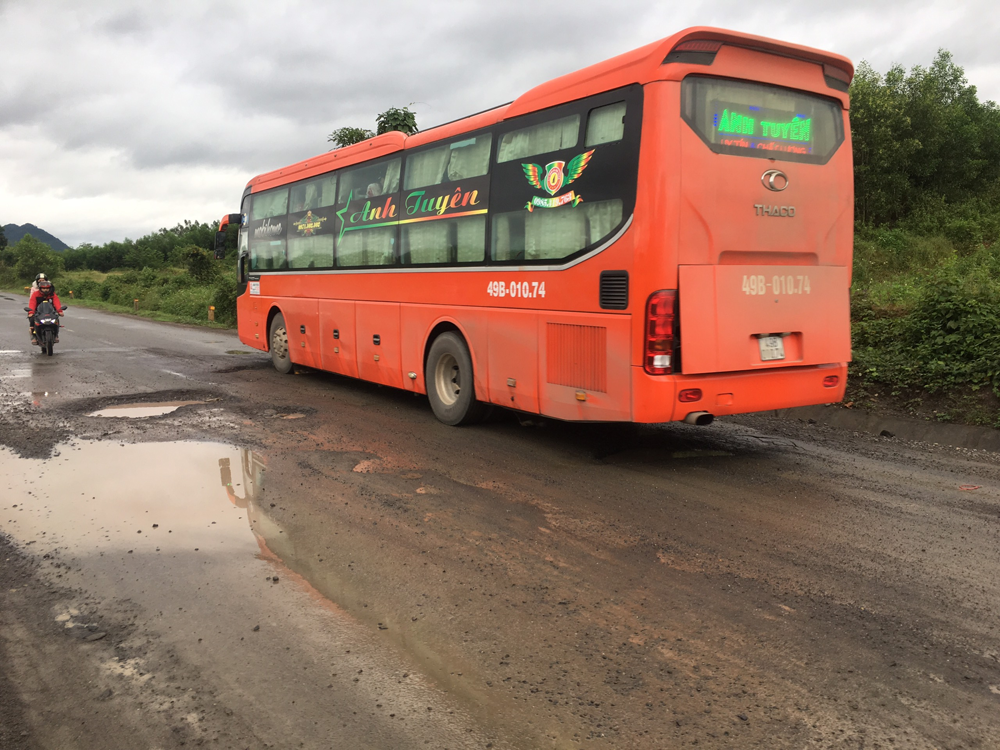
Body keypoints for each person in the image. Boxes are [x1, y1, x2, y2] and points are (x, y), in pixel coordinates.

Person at [27, 278, 64, 345]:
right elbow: (32, 303)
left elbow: (57, 302)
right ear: (40, 288)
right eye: (43, 288)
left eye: (47, 288)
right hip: (38, 312)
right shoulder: (35, 294)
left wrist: (60, 311)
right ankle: (33, 336)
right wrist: (31, 312)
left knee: (56, 318)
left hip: (50, 312)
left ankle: (56, 335)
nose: (45, 290)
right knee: (32, 319)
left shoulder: (52, 294)